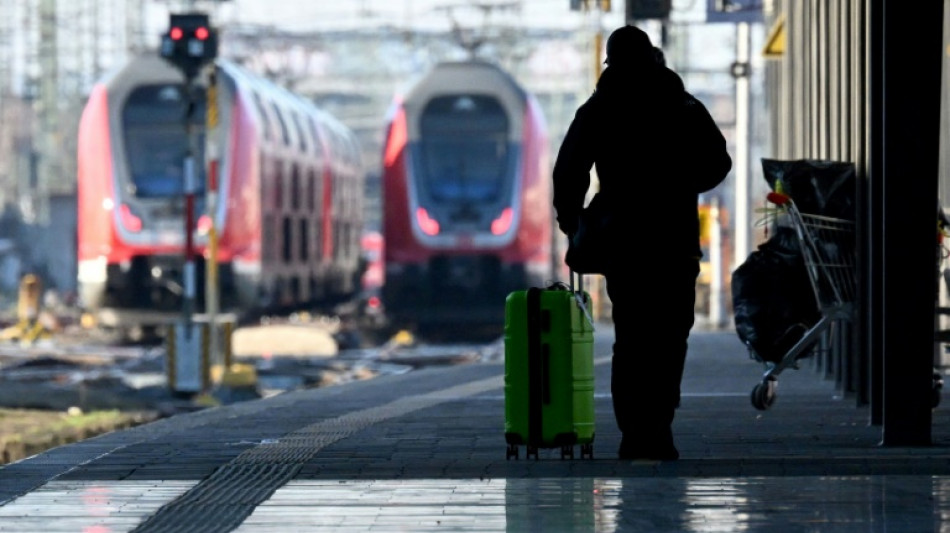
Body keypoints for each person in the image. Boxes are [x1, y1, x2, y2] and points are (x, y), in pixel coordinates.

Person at [552, 25, 731, 460]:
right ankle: (659, 430)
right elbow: (718, 162)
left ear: (611, 64)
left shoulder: (599, 108)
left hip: (624, 244)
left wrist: (572, 220)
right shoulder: (682, 105)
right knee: (669, 337)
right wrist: (680, 184)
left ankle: (634, 435)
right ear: (653, 57)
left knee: (632, 338)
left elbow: (568, 169)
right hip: (674, 241)